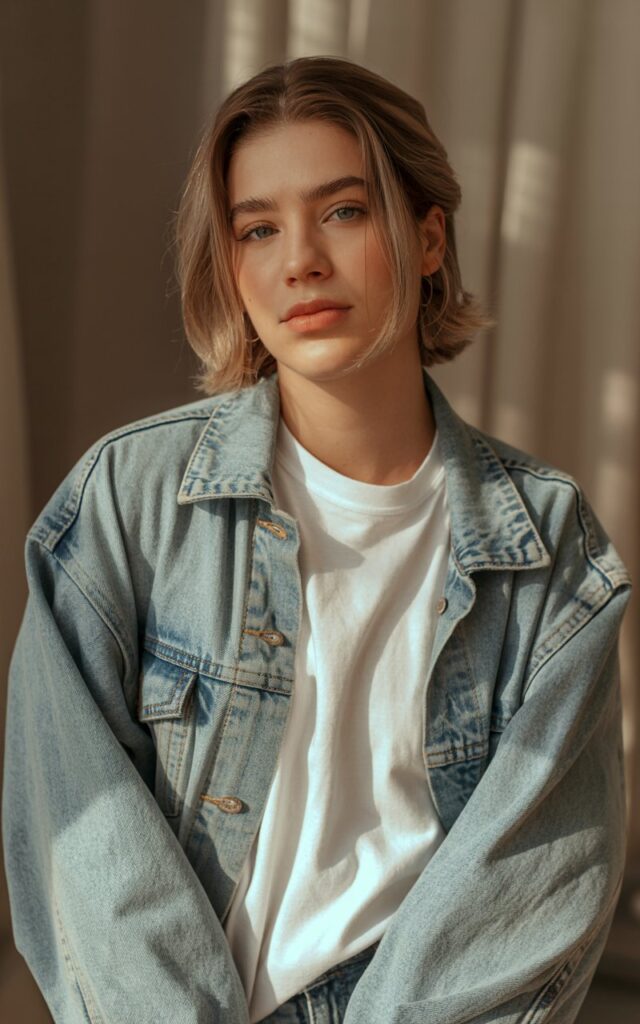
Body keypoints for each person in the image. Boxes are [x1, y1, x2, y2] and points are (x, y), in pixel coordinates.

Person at [2, 55, 631, 1024]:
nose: (298, 260)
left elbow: (535, 876)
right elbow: (77, 836)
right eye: (257, 228)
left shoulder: (548, 542)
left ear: (426, 237)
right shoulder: (127, 499)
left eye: (342, 210)